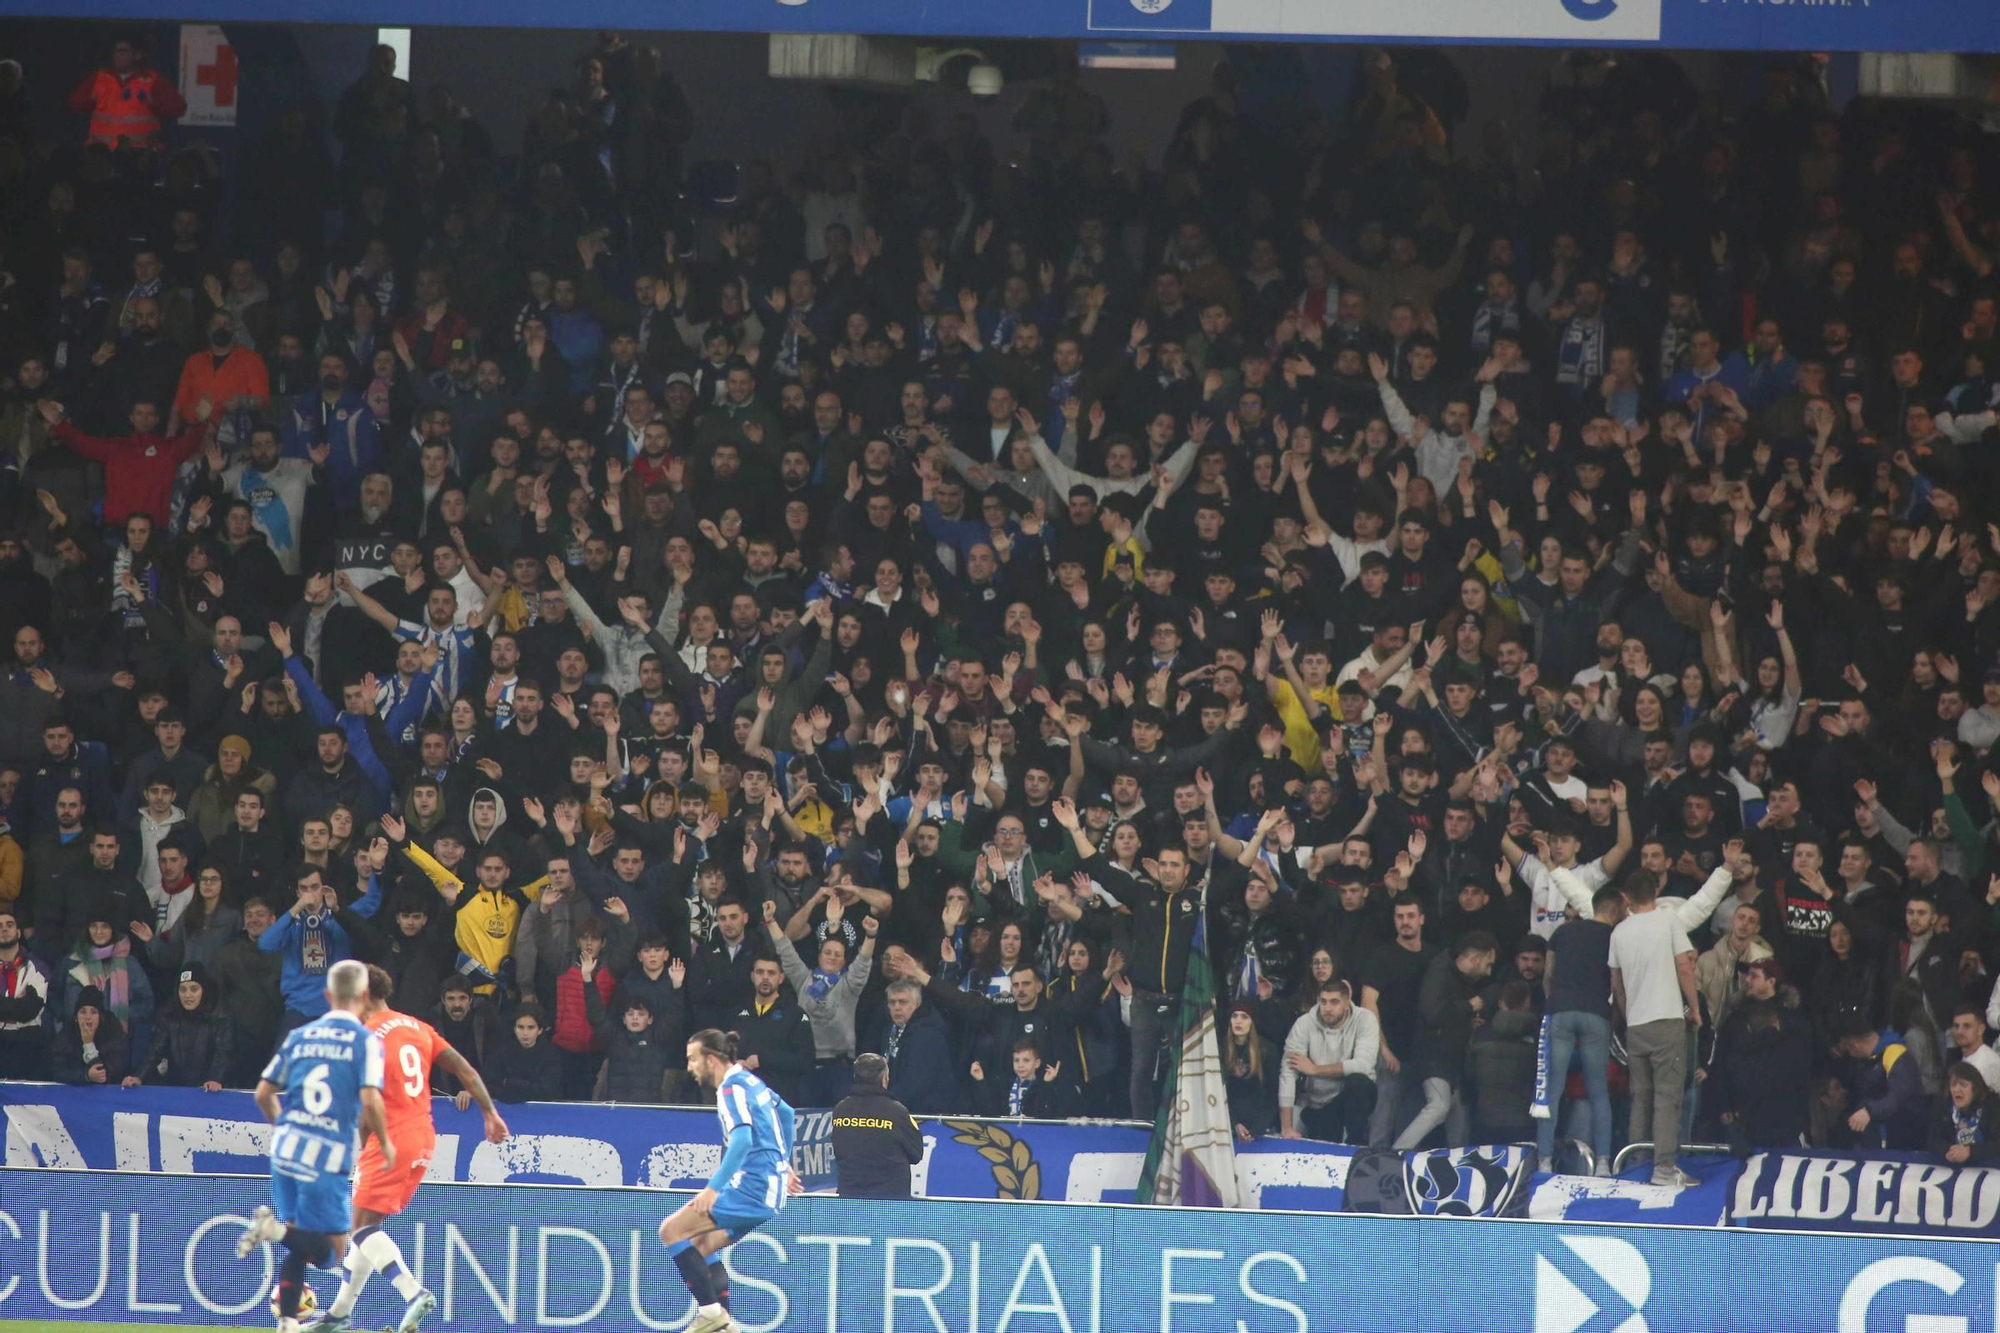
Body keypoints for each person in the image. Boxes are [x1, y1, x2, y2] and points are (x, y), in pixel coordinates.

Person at [306, 965, 508, 1333]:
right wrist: (489, 1114)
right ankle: (338, 1315)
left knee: (362, 1230)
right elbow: (465, 1069)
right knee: (366, 1229)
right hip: (423, 1136)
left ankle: (413, 1293)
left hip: (389, 1138)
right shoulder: (418, 1027)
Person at [237, 959, 395, 1333]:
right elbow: (371, 1099)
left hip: (287, 1149)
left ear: (327, 995)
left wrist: (287, 1128)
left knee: (299, 1242)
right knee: (331, 1253)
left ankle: (288, 1320)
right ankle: (273, 1232)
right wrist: (386, 1143)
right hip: (326, 1155)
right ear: (365, 995)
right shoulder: (365, 1041)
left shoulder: (300, 1036)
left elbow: (263, 1093)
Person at [659, 1027, 798, 1333]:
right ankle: (722, 1325)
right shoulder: (750, 1080)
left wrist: (713, 1188)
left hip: (752, 1187)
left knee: (671, 1231)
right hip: (769, 1191)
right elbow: (787, 1114)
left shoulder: (730, 1089)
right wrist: (783, 1163)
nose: (690, 1067)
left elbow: (742, 1141)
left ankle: (712, 1315)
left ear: (711, 1060)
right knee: (702, 1246)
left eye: (693, 1059)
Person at [1609, 871, 1700, 1186]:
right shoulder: (1668, 920)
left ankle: (1637, 1164)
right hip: (1667, 1019)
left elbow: (1617, 985)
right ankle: (1663, 1169)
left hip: (1636, 1025)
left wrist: (1629, 1012)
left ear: (1626, 898)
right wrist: (1696, 1008)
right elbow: (1684, 966)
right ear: (1658, 891)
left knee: (1641, 1096)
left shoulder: (1619, 932)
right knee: (1666, 1096)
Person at [1277, 980, 1378, 1145]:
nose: (1327, 1008)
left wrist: (1315, 1069)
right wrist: (1286, 1127)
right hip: (1319, 1103)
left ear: (1347, 1003)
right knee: (1325, 1140)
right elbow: (1288, 1073)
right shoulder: (1304, 1024)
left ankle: (1356, 1145)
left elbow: (1363, 1065)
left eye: (1334, 1002)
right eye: (1323, 1001)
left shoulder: (1365, 1019)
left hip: (1352, 1096)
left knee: (1359, 1082)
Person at [830, 1051, 926, 1199]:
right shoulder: (897, 1112)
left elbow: (839, 1151)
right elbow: (916, 1153)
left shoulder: (840, 1110)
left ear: (855, 1077)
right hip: (891, 1201)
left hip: (849, 1198)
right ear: (884, 1078)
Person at [1931, 1063, 2000, 1165]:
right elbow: (1932, 1139)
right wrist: (1948, 1150)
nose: (1956, 1089)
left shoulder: (1992, 1106)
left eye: (1963, 1084)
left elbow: (1997, 1143)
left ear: (1975, 1089)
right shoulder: (1942, 1106)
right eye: (1953, 1084)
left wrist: (1970, 1151)